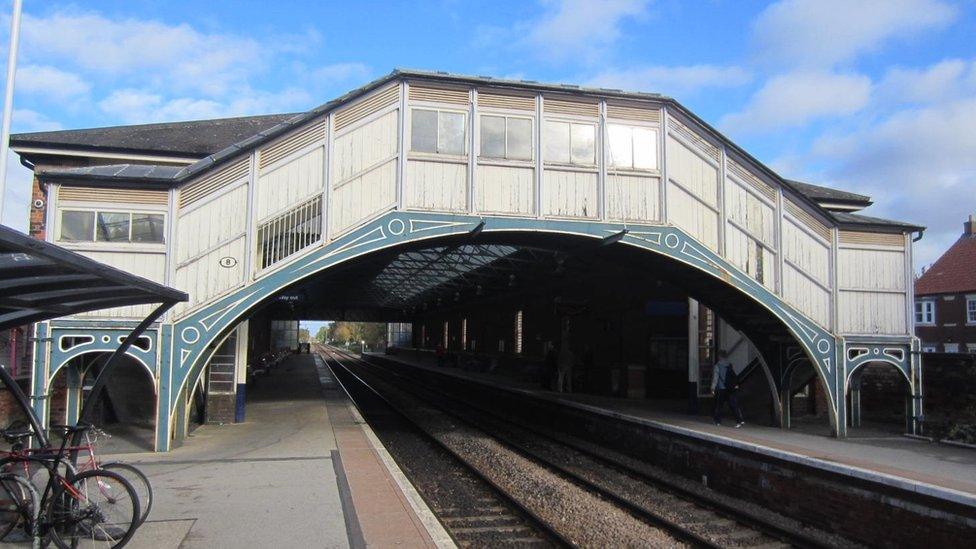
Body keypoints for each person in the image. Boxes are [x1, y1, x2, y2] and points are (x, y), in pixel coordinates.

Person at [711, 350, 744, 427]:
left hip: (721, 388)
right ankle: (739, 420)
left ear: (719, 356)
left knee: (719, 406)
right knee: (733, 405)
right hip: (730, 388)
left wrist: (712, 388)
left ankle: (717, 422)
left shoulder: (717, 366)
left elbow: (715, 378)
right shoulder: (729, 365)